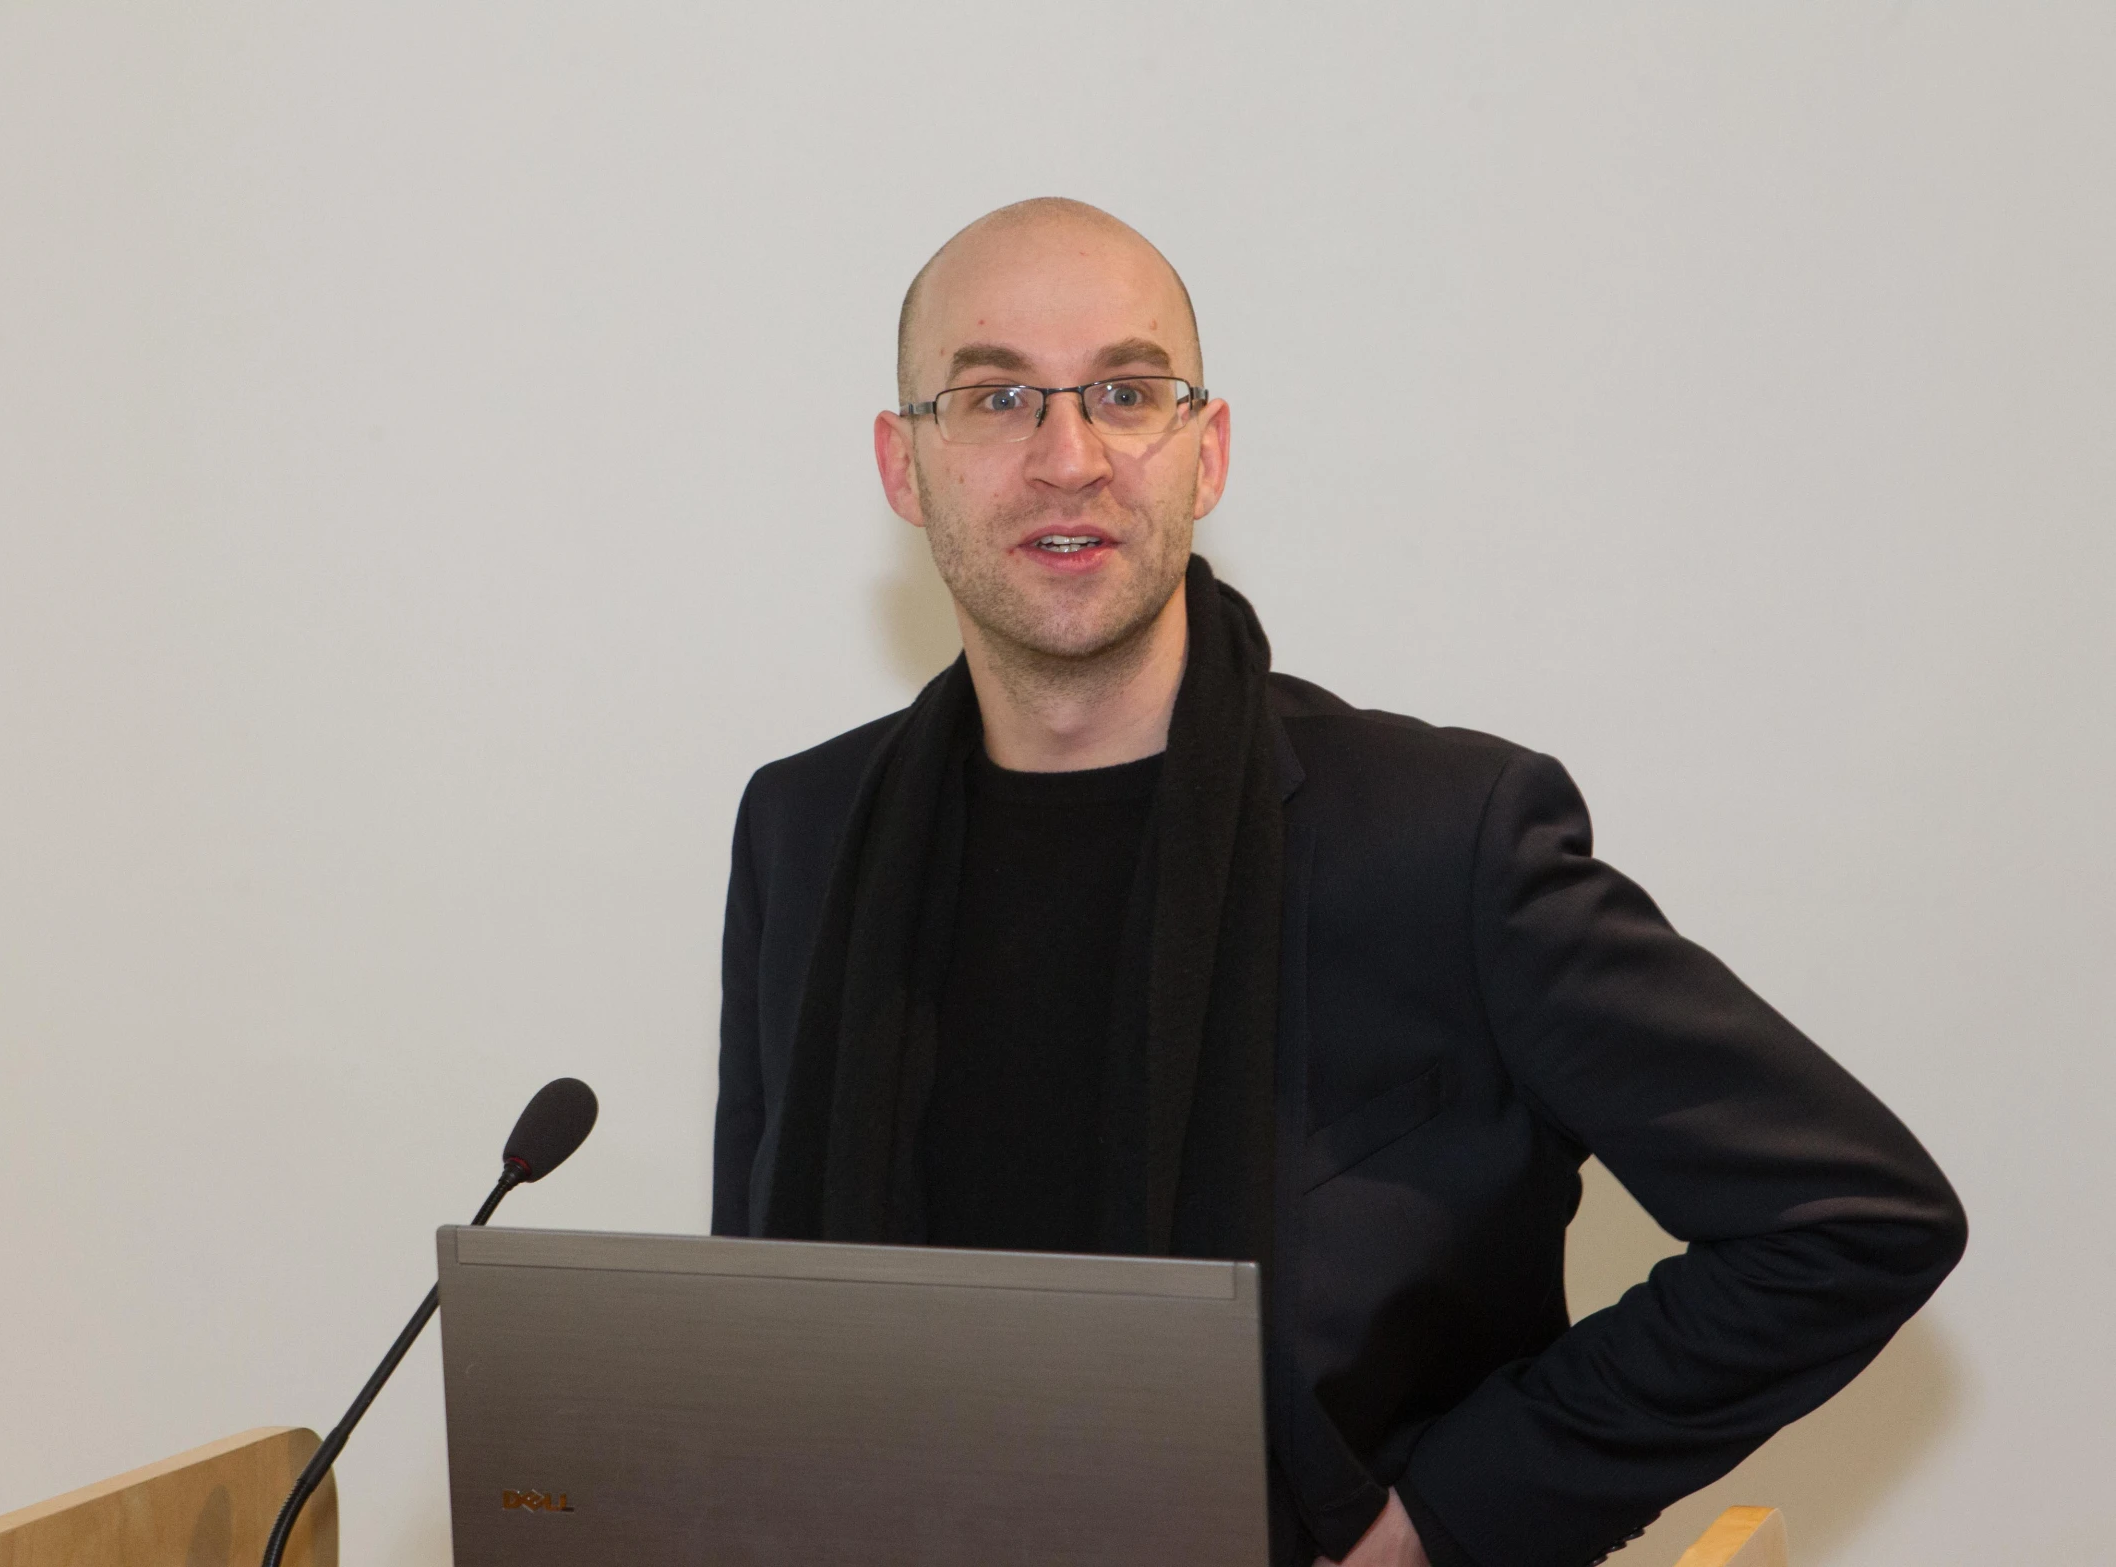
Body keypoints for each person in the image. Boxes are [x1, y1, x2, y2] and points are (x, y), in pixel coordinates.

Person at [710, 198, 1964, 1567]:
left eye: (1126, 393)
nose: (1066, 457)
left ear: (1209, 449)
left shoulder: (1443, 839)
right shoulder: (804, 829)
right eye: (996, 395)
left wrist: (1448, 1515)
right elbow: (768, 1315)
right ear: (905, 466)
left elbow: (1849, 1220)